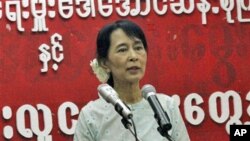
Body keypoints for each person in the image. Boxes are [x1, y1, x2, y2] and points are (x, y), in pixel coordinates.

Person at [74, 19, 190, 141]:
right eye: (122, 50)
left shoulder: (166, 106)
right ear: (104, 63)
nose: (133, 57)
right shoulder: (92, 115)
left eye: (138, 47)